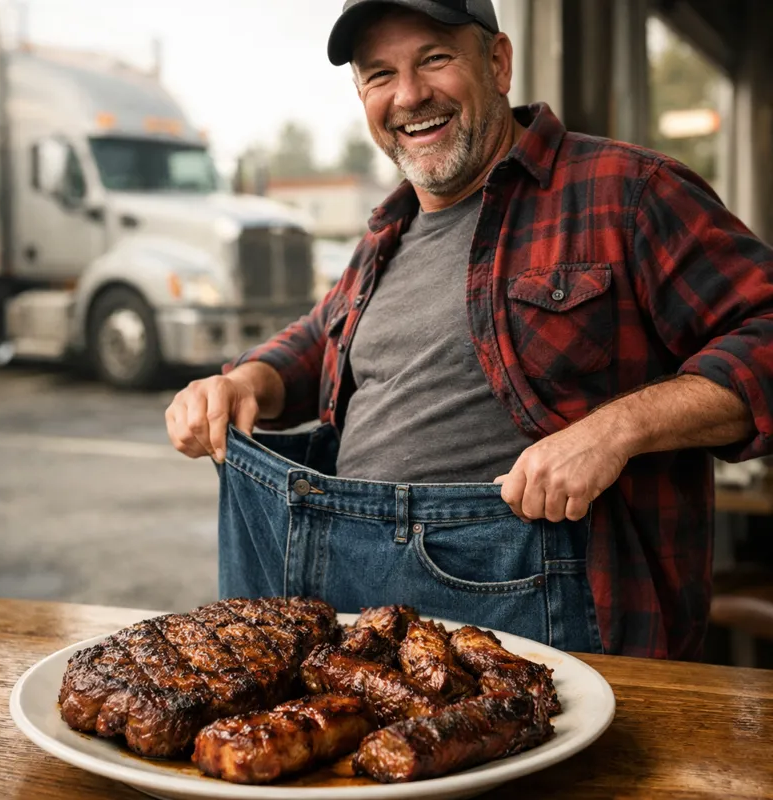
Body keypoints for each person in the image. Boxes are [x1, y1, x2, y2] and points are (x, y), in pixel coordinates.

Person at [166, 0, 773, 660]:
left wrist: (615, 432)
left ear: (499, 61)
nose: (410, 95)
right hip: (341, 605)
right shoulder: (385, 234)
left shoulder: (627, 190)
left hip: (536, 615)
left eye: (435, 58)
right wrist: (251, 378)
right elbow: (324, 336)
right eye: (379, 74)